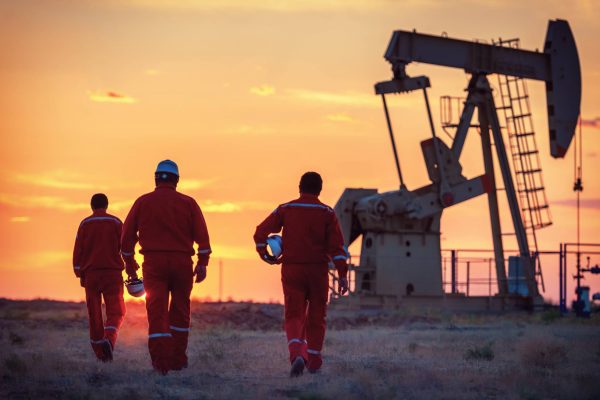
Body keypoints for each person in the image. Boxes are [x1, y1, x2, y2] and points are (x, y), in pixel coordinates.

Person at [253, 171, 349, 377]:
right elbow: (337, 248)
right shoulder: (328, 213)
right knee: (317, 317)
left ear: (299, 187)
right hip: (318, 272)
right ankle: (313, 361)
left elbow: (260, 232)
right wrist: (342, 274)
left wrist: (264, 253)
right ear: (320, 189)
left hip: (292, 270)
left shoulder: (286, 209)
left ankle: (297, 354)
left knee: (294, 315)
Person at [121, 159, 211, 375]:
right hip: (182, 265)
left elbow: (125, 241)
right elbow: (204, 240)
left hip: (154, 265)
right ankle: (178, 361)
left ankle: (161, 365)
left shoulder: (142, 202)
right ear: (177, 180)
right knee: (180, 312)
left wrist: (131, 268)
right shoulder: (189, 203)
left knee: (157, 314)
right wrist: (202, 264)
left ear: (155, 178)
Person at [73, 193, 126, 362]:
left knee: (94, 314)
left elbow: (78, 250)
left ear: (91, 206)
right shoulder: (116, 223)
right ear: (107, 205)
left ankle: (100, 354)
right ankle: (109, 340)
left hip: (91, 276)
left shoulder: (84, 224)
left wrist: (79, 273)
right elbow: (126, 248)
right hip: (112, 274)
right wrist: (131, 269)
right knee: (117, 311)